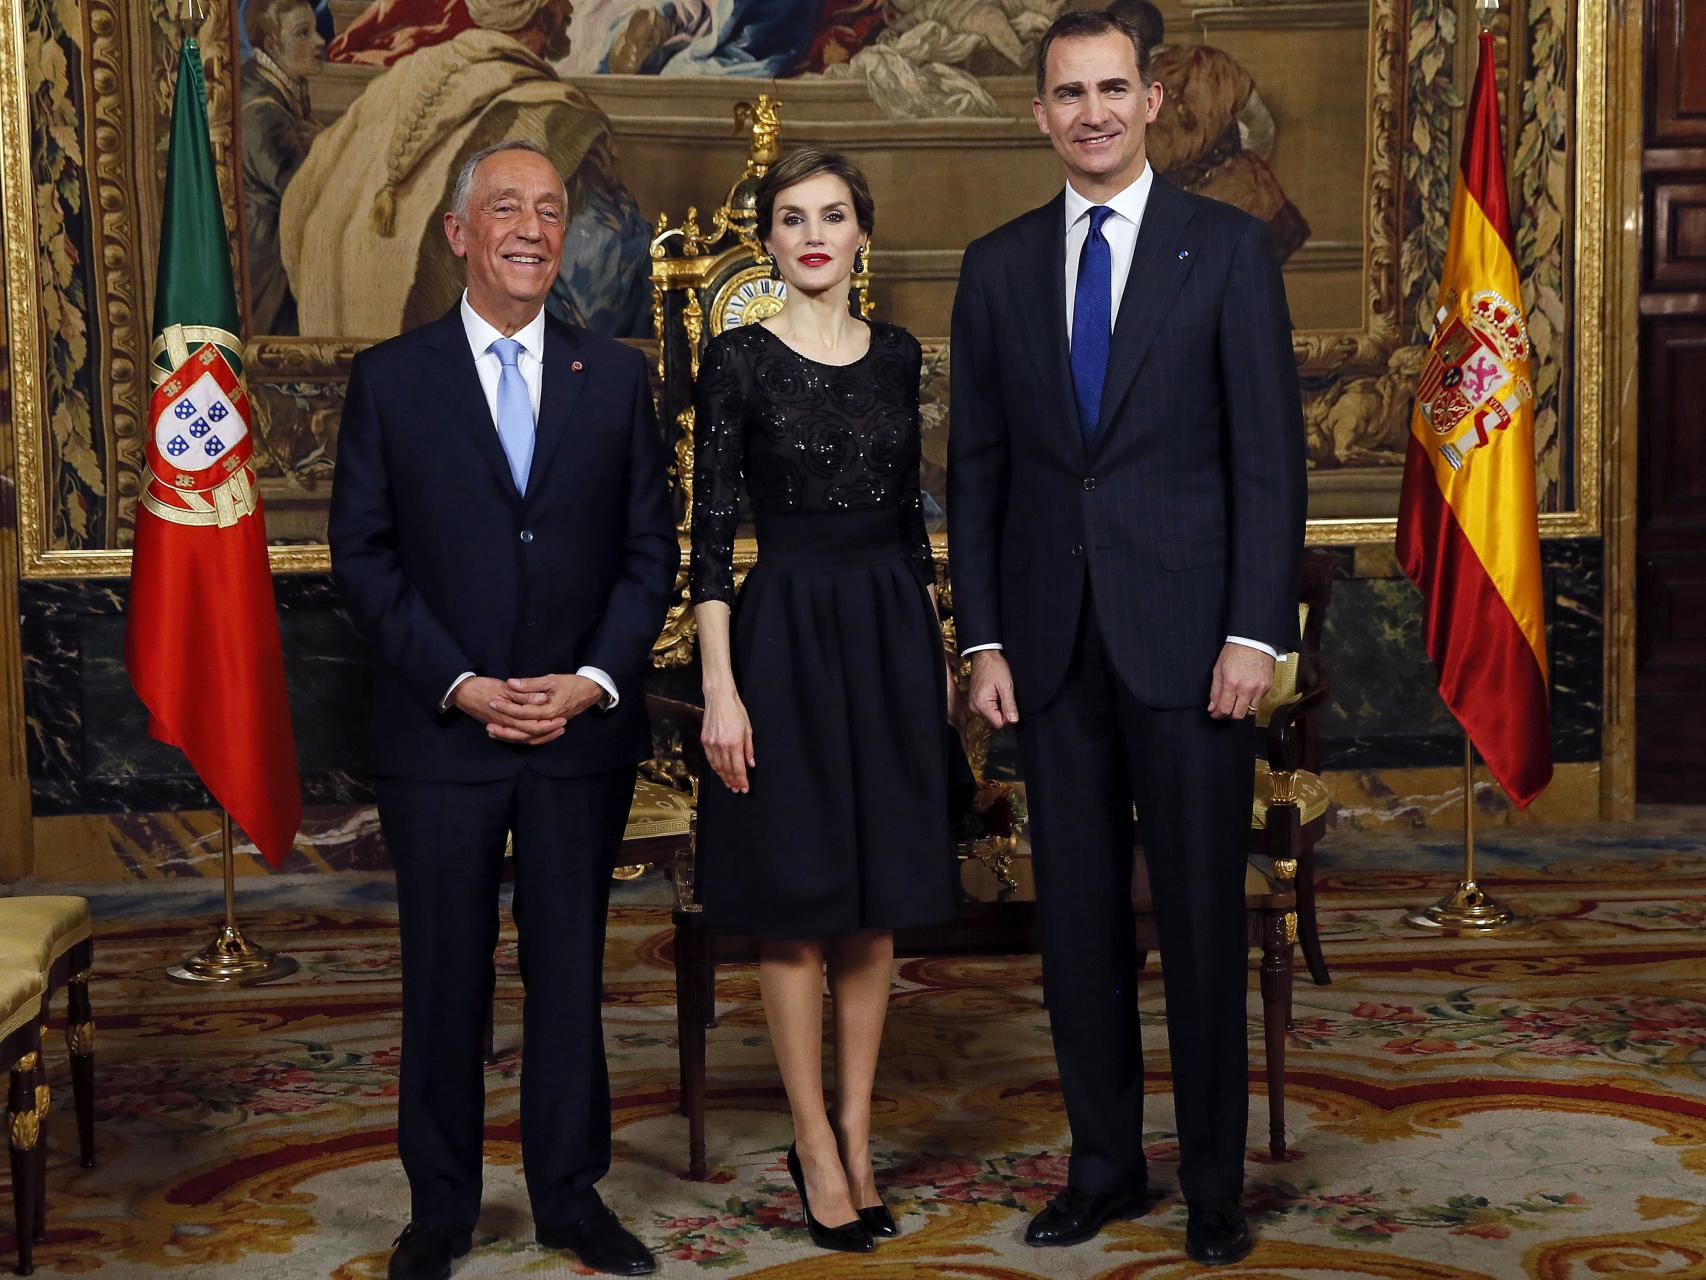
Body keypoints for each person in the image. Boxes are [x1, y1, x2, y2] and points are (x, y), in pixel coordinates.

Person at [948, 9, 1305, 1266]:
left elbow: (1268, 462)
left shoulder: (1225, 252)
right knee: (1078, 927)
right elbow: (977, 472)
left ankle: (1212, 1183)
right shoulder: (993, 268)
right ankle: (1102, 1165)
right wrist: (982, 639)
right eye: (1066, 93)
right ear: (1038, 113)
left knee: (1200, 921)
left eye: (1112, 89)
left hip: (1194, 645)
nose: (1091, 112)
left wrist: (1255, 632)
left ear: (1151, 100)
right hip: (1049, 649)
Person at [329, 140, 677, 1280]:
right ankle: (440, 1207)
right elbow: (363, 556)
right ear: (458, 232)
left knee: (571, 969)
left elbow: (647, 555)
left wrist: (593, 678)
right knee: (445, 972)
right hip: (442, 730)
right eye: (505, 209)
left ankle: (570, 1197)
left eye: (549, 209)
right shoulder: (390, 379)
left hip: (580, 729)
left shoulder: (616, 377)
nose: (531, 227)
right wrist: (461, 683)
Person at [689, 148, 960, 1253]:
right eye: (790, 217)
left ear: (861, 235)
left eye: (831, 215)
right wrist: (719, 686)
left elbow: (908, 520)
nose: (811, 232)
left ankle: (855, 1127)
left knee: (876, 895)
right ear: (768, 240)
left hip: (889, 628)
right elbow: (708, 542)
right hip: (783, 633)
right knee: (797, 897)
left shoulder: (898, 356)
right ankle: (810, 1139)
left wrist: (938, 647)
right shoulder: (737, 360)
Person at [279, 0, 651, 338]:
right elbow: (602, 269)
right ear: (543, 12)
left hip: (335, 348)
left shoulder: (400, 80)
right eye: (560, 1)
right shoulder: (554, 114)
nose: (570, 7)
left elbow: (302, 201)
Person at [240, 0, 325, 333]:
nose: (319, 41)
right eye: (303, 33)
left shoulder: (276, 79)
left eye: (314, 29)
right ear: (273, 44)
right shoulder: (263, 114)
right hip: (270, 272)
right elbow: (304, 190)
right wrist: (327, 145)